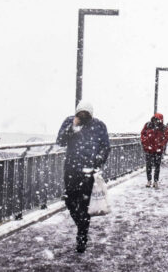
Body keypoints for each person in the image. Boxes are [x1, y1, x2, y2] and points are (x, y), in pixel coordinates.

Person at [56, 101, 111, 253]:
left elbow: (106, 147)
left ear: (91, 114)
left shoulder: (99, 125)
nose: (83, 117)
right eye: (80, 114)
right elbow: (60, 141)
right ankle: (81, 225)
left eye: (86, 114)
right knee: (69, 200)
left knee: (85, 205)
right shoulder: (69, 121)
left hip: (89, 171)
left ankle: (82, 236)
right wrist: (72, 126)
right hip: (71, 169)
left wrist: (97, 161)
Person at [140, 113, 168, 188]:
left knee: (157, 166)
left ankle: (155, 181)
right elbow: (142, 134)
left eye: (158, 119)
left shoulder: (163, 128)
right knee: (148, 165)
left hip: (157, 150)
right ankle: (149, 180)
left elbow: (166, 138)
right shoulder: (148, 125)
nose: (156, 121)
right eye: (155, 119)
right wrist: (146, 144)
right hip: (149, 149)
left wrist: (160, 145)